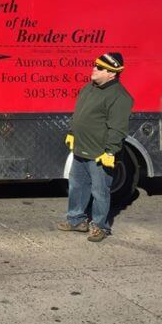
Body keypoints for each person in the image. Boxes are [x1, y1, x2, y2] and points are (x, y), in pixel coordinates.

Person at [57, 52, 134, 243]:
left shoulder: (120, 96)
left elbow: (118, 127)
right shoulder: (88, 88)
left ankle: (100, 227)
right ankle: (76, 220)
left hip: (100, 153)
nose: (94, 69)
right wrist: (72, 132)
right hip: (81, 148)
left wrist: (110, 150)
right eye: (94, 65)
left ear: (111, 73)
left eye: (99, 67)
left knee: (100, 191)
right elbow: (79, 113)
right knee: (76, 186)